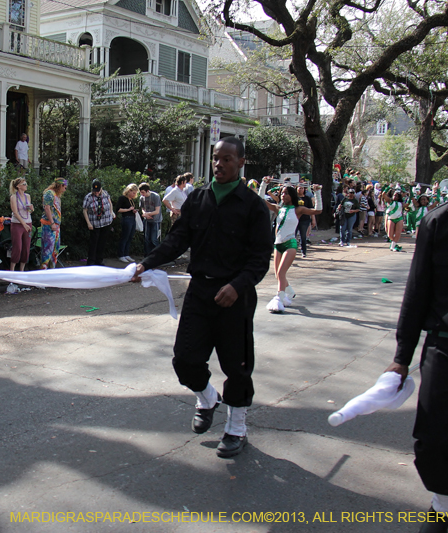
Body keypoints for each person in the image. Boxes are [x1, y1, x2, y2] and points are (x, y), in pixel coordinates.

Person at [131, 137, 273, 458]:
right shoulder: (197, 200)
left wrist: (237, 286)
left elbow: (260, 258)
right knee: (185, 359)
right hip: (200, 292)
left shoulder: (253, 206)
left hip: (234, 296)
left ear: (240, 162)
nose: (219, 164)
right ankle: (208, 398)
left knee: (237, 365)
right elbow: (177, 240)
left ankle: (236, 428)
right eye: (215, 159)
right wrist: (146, 263)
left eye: (226, 159)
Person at [384, 128, 448, 533]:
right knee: (432, 443)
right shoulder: (438, 222)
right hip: (443, 350)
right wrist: (401, 359)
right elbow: (417, 292)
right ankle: (446, 500)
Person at [258, 178, 323, 312]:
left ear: (291, 195)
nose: (283, 195)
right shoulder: (278, 208)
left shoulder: (298, 209)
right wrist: (264, 184)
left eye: (286, 193)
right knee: (278, 275)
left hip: (290, 243)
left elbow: (318, 211)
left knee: (281, 272)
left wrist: (317, 193)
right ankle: (290, 292)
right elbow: (260, 200)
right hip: (278, 244)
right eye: (282, 193)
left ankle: (279, 298)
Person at [82, 179, 114, 266]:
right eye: (94, 191)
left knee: (102, 242)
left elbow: (110, 203)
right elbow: (85, 210)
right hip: (95, 224)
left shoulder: (105, 194)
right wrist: (88, 223)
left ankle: (99, 260)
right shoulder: (88, 197)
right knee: (93, 243)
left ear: (101, 189)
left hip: (106, 222)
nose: (96, 193)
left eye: (98, 191)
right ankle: (91, 261)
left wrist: (111, 213)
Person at [40, 178, 67, 269]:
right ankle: (43, 274)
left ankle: (52, 272)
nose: (65, 189)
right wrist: (52, 223)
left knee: (55, 251)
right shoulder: (49, 193)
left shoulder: (57, 195)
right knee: (47, 250)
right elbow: (47, 208)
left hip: (56, 226)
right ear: (60, 186)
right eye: (64, 187)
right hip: (49, 225)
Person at [8, 177, 33, 271]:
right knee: (17, 247)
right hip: (17, 224)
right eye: (24, 184)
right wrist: (23, 224)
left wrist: (31, 208)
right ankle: (12, 269)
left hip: (28, 221)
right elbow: (15, 212)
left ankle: (22, 269)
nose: (26, 186)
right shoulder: (13, 197)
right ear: (18, 186)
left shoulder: (28, 196)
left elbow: (30, 211)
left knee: (26, 247)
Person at [115, 183, 139, 263]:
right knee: (125, 237)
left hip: (132, 218)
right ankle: (121, 254)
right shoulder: (122, 198)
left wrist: (133, 211)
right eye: (133, 193)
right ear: (129, 191)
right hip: (126, 219)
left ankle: (126, 254)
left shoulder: (131, 200)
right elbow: (118, 209)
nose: (134, 195)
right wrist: (128, 209)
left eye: (135, 193)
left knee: (130, 237)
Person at [139, 183, 161, 256]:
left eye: (143, 192)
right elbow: (143, 209)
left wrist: (147, 214)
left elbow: (157, 211)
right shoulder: (142, 198)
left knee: (154, 239)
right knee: (146, 239)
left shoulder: (155, 196)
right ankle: (147, 255)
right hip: (147, 220)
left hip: (155, 220)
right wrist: (145, 214)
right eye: (141, 192)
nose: (142, 194)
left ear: (147, 191)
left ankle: (157, 255)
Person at [381, 187, 406, 252]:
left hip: (399, 218)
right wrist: (388, 187)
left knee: (397, 233)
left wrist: (405, 189)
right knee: (389, 234)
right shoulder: (390, 201)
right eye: (394, 195)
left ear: (399, 197)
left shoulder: (401, 203)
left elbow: (408, 202)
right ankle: (394, 243)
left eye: (397, 196)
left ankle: (393, 245)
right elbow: (383, 194)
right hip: (391, 218)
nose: (395, 197)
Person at [295, 184, 316, 258]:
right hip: (295, 219)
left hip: (305, 220)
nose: (300, 189)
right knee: (292, 236)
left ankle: (303, 252)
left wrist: (313, 220)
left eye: (302, 188)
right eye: (299, 188)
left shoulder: (307, 198)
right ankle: (292, 251)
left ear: (304, 189)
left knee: (303, 236)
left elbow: (311, 210)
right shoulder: (294, 198)